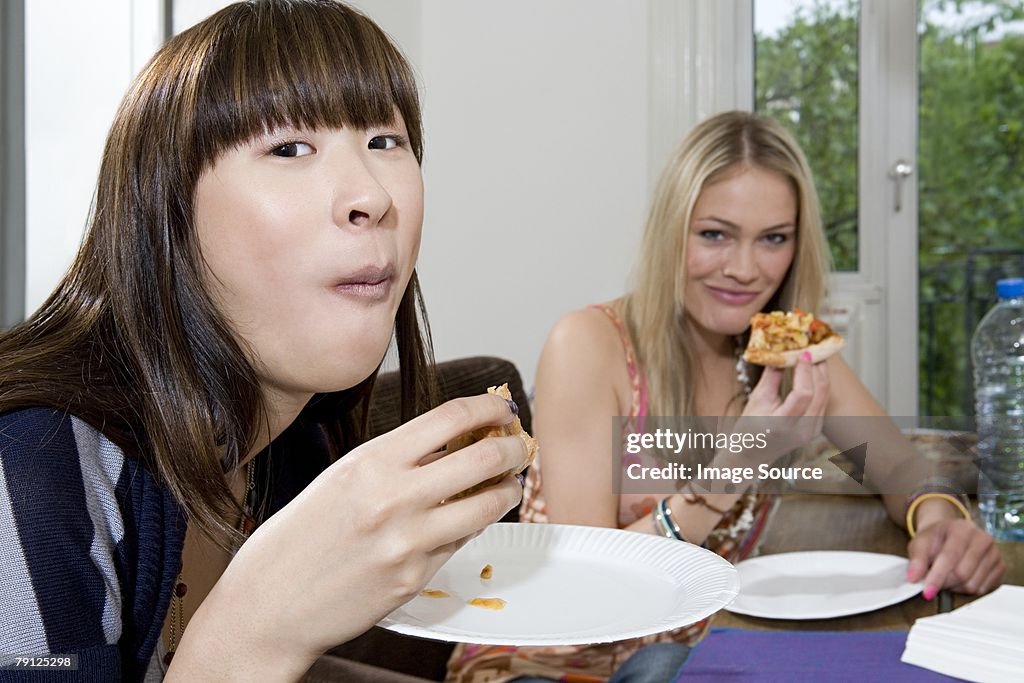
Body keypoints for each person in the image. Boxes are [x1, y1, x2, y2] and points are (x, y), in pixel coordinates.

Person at [0, 2, 528, 681]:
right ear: (166, 210)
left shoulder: (294, 443)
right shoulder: (31, 471)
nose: (370, 194)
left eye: (385, 142)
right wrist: (258, 628)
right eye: (288, 148)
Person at [445, 110, 1005, 683]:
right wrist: (732, 467)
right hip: (544, 660)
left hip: (692, 658)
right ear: (672, 229)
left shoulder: (790, 347)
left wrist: (940, 521)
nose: (743, 269)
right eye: (715, 234)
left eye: (773, 239)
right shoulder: (588, 344)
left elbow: (900, 464)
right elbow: (598, 579)